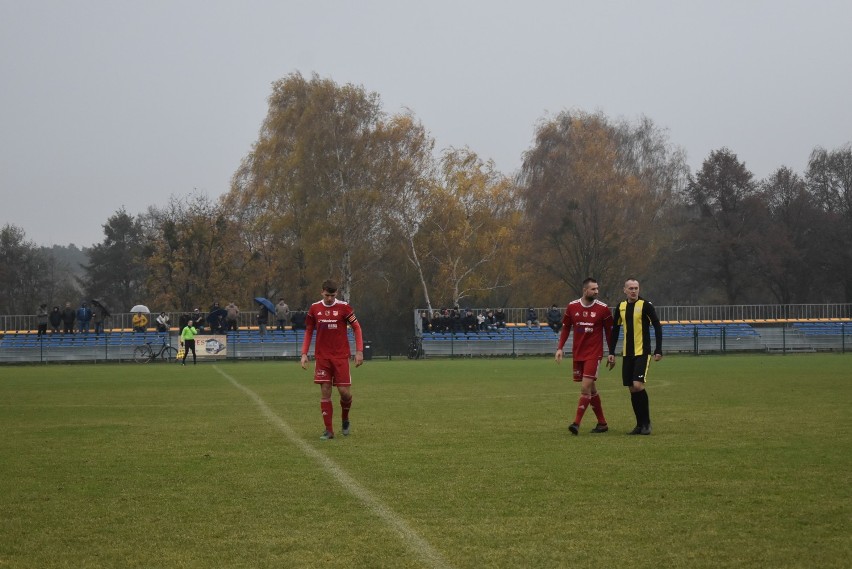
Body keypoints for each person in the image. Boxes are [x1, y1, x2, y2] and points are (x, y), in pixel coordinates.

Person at [300, 279, 364, 440]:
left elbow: (357, 327)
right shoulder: (315, 308)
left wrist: (359, 351)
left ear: (337, 294)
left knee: (344, 393)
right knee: (325, 391)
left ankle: (345, 418)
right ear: (322, 292)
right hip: (322, 357)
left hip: (341, 357)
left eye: (333, 295)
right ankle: (329, 431)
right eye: (327, 295)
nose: (330, 298)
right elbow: (308, 330)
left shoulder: (344, 307)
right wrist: (304, 353)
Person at [555, 278, 614, 435]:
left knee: (585, 387)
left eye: (597, 289)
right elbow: (566, 327)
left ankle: (576, 423)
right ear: (585, 290)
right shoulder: (572, 306)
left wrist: (611, 352)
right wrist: (560, 348)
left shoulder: (603, 309)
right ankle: (602, 423)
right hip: (578, 354)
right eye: (593, 289)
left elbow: (609, 332)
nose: (597, 292)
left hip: (594, 354)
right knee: (592, 388)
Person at [607, 278, 663, 436]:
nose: (633, 291)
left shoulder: (645, 306)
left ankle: (647, 423)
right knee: (632, 389)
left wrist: (658, 349)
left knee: (638, 385)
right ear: (624, 290)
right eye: (630, 288)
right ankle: (639, 425)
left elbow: (657, 326)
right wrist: (611, 352)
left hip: (642, 352)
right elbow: (616, 329)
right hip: (627, 353)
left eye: (636, 288)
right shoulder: (621, 307)